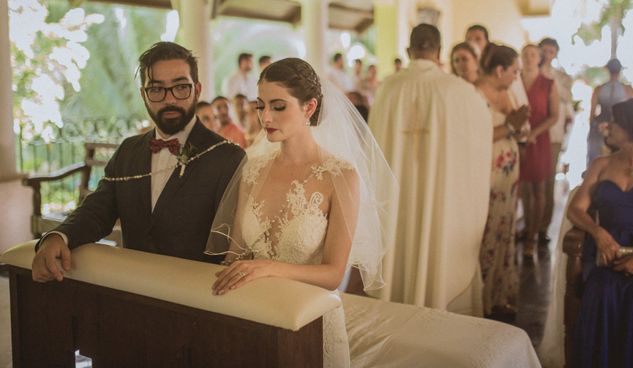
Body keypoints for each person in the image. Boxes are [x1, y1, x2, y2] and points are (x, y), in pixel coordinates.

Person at [206, 58, 396, 367]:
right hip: (254, 314)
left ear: (309, 108)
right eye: (260, 105)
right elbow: (235, 254)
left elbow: (334, 273)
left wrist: (269, 267)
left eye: (278, 107)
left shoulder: (341, 175)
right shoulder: (252, 170)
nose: (265, 116)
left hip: (311, 321)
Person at [31, 42, 245, 282]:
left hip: (196, 296)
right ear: (143, 94)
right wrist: (58, 237)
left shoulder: (227, 158)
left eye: (181, 87)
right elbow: (97, 211)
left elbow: (233, 244)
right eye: (156, 89)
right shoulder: (127, 151)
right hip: (134, 290)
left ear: (197, 89)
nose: (169, 99)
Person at [369, 23, 492, 315]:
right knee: (437, 236)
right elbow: (480, 138)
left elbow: (373, 148)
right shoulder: (460, 91)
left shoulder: (387, 89)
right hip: (440, 194)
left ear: (409, 50)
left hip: (398, 194)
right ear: (438, 51)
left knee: (399, 245)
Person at [568, 98, 633, 368]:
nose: (608, 127)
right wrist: (598, 232)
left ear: (632, 128)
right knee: (601, 289)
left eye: (615, 123)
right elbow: (576, 209)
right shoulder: (601, 164)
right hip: (607, 261)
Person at [475, 44, 528, 318]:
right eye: (515, 71)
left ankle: (499, 293)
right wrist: (510, 126)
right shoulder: (474, 94)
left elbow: (519, 128)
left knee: (505, 228)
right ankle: (480, 296)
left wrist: (520, 129)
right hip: (485, 170)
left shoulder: (507, 93)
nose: (517, 77)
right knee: (486, 231)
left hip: (508, 172)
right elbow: (474, 136)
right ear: (499, 70)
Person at [519, 44, 559, 258]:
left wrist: (535, 132)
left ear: (539, 58)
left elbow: (554, 115)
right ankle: (526, 229)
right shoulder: (514, 80)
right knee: (523, 190)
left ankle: (534, 235)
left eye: (532, 54)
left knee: (539, 190)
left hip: (539, 139)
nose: (528, 58)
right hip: (518, 140)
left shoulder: (548, 84)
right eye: (525, 54)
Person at [539, 37, 574, 243]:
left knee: (548, 179)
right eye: (544, 50)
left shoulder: (561, 78)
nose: (547, 54)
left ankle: (543, 226)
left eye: (551, 51)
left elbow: (565, 100)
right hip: (533, 131)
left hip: (553, 133)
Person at [587, 58, 633, 167]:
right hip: (621, 128)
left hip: (600, 126)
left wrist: (593, 126)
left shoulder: (599, 89)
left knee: (595, 159)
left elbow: (592, 113)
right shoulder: (628, 90)